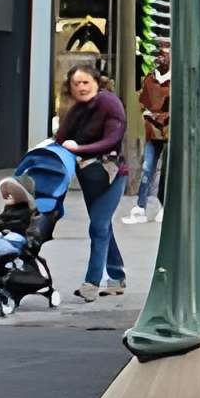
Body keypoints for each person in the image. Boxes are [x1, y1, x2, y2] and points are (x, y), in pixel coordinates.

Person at [54, 63, 129, 301]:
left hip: (112, 174)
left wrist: (79, 148)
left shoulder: (109, 103)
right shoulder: (77, 109)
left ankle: (92, 283)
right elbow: (60, 138)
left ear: (97, 82)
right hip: (89, 176)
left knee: (98, 226)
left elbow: (111, 140)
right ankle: (117, 277)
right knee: (102, 226)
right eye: (76, 84)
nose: (81, 87)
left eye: (86, 82)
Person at [124, 43, 170, 226]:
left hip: (168, 131)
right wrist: (148, 114)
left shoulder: (174, 80)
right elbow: (143, 102)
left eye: (165, 54)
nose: (161, 58)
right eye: (160, 54)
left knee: (166, 170)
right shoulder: (151, 78)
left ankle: (164, 206)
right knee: (147, 168)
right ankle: (140, 207)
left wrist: (159, 115)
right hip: (152, 131)